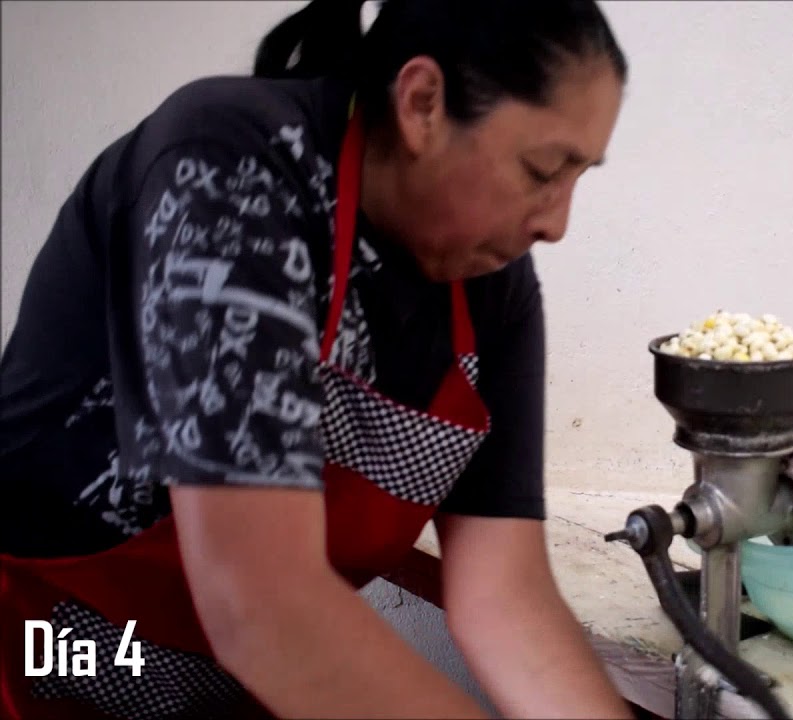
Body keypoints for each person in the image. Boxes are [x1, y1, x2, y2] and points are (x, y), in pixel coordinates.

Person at [0, 0, 633, 717]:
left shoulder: (492, 289)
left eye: (580, 175)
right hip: (53, 648)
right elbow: (262, 605)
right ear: (423, 102)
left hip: (243, 678)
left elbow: (506, 599)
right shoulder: (231, 168)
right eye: (544, 168)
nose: (558, 222)